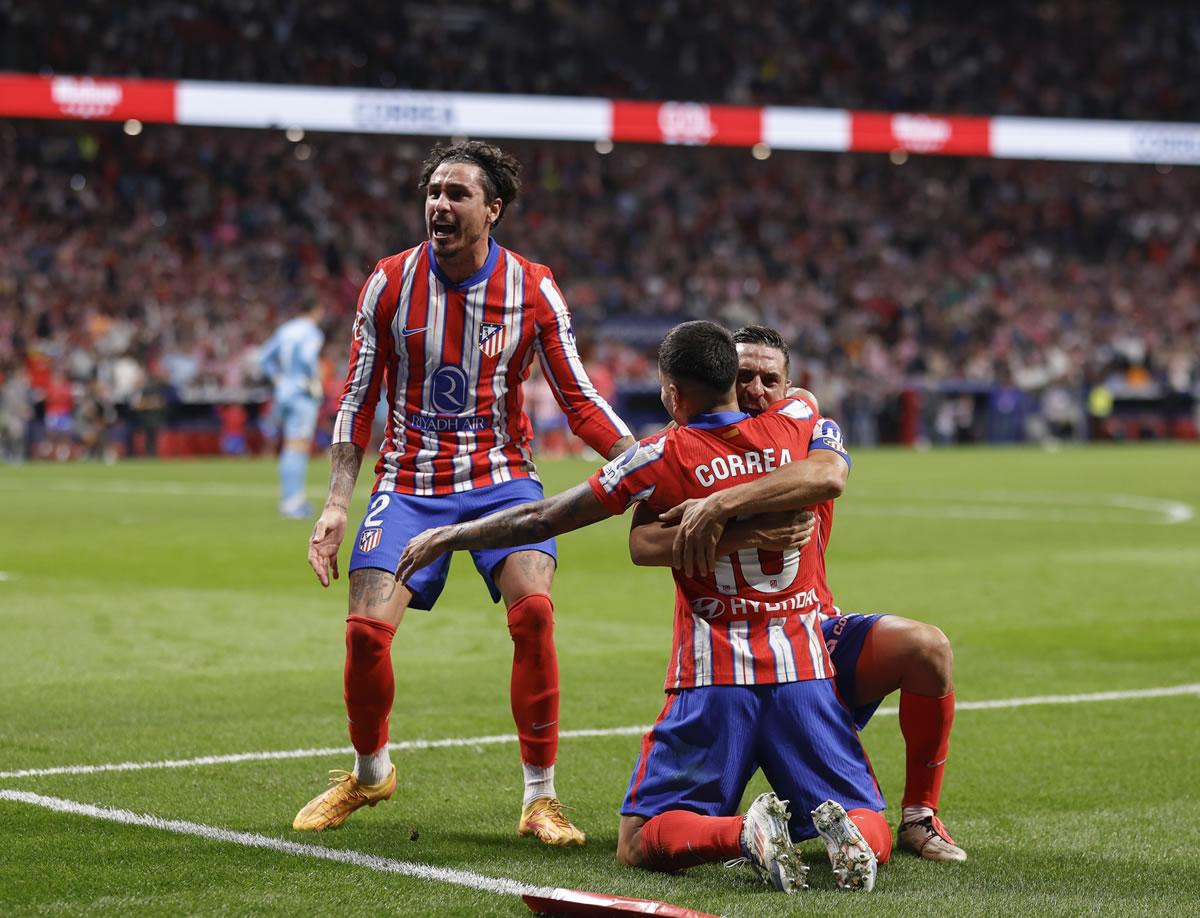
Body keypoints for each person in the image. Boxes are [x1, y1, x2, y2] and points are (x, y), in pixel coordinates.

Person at [395, 321, 892, 892]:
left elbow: (542, 517)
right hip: (804, 669)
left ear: (674, 394)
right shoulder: (796, 423)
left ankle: (742, 834)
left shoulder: (659, 455)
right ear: (735, 379)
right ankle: (852, 835)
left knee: (638, 840)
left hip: (714, 675)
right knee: (865, 814)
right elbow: (820, 452)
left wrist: (451, 535)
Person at [298, 141, 634, 845]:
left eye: (457, 194)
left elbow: (578, 397)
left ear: (493, 210)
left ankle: (541, 799)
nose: (440, 205)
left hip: (502, 482)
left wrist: (640, 460)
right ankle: (369, 773)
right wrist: (335, 502)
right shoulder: (388, 284)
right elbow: (358, 397)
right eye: (434, 193)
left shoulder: (533, 287)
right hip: (409, 481)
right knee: (364, 635)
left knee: (534, 613)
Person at [632, 325, 965, 862]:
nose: (758, 390)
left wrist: (718, 506)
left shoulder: (807, 431)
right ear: (720, 378)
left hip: (812, 639)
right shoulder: (686, 448)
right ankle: (788, 825)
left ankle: (919, 816)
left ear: (787, 388)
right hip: (734, 657)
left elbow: (828, 469)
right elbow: (643, 541)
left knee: (927, 646)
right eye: (744, 377)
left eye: (771, 380)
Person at [260, 298, 326, 518]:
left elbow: (265, 358)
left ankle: (291, 498)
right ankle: (292, 501)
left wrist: (278, 379)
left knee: (290, 445)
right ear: (316, 311)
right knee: (297, 447)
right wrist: (312, 381)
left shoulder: (285, 329)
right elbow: (307, 358)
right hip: (301, 393)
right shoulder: (311, 332)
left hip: (284, 391)